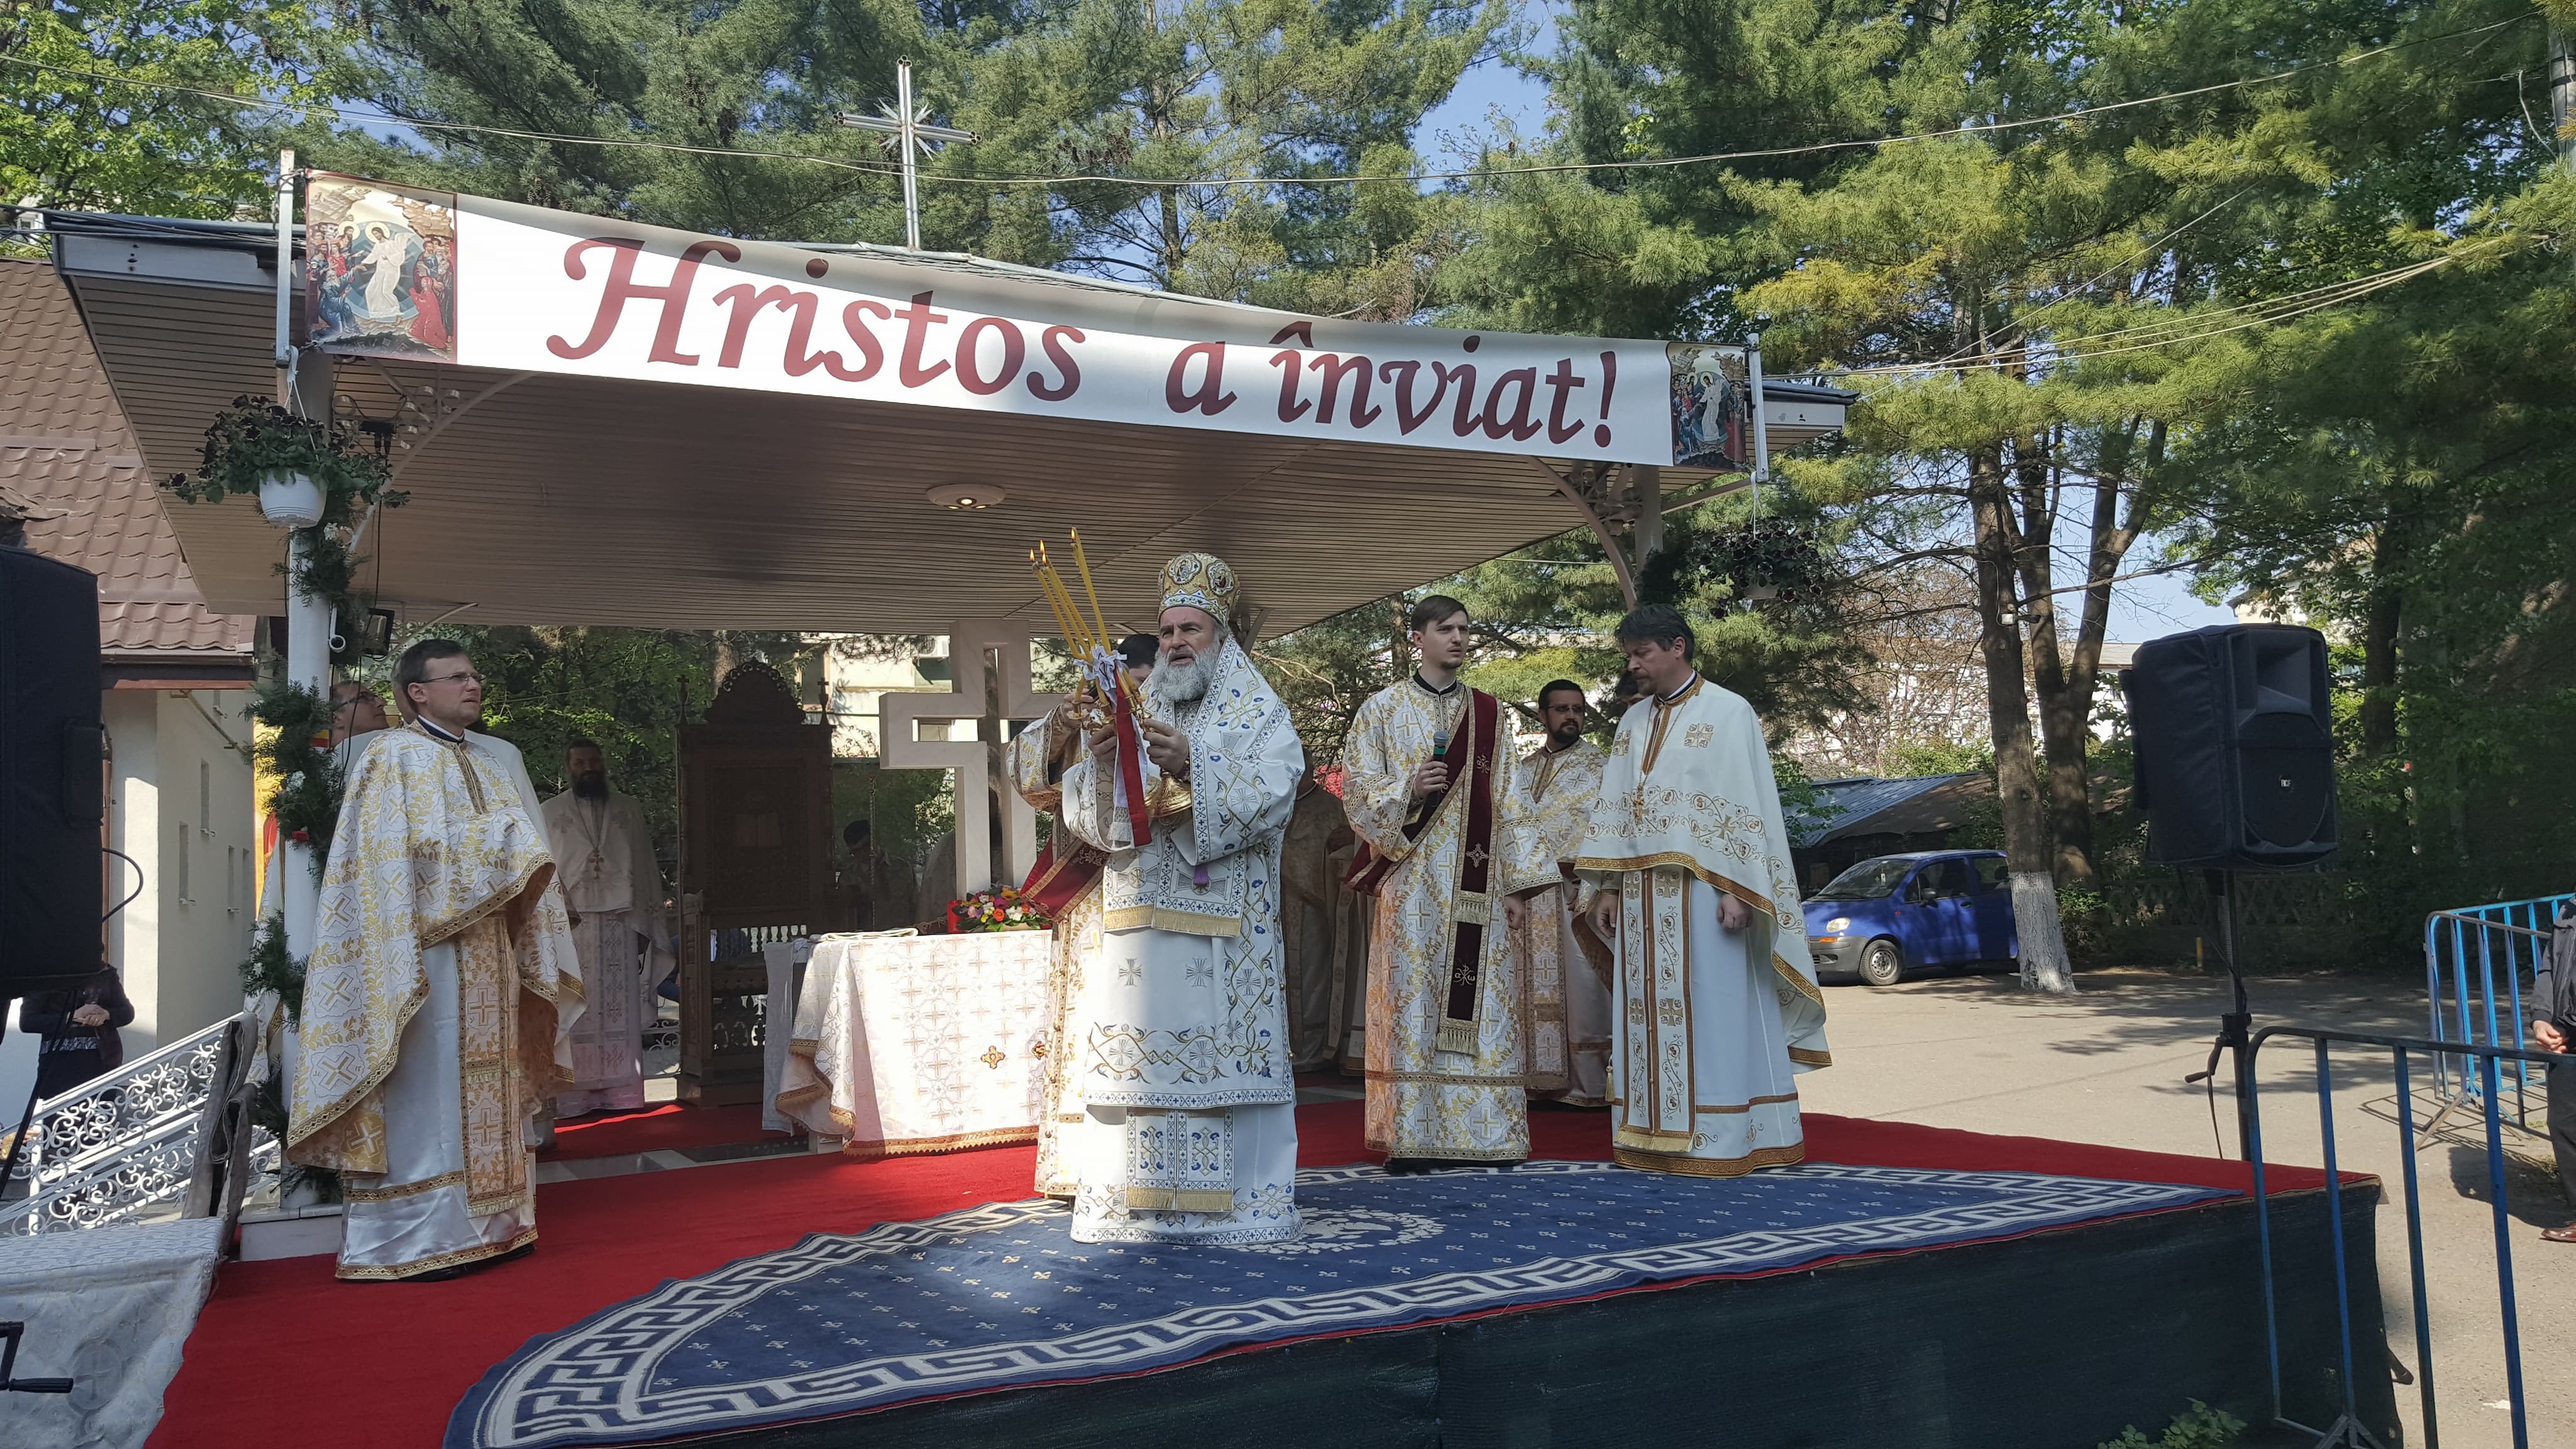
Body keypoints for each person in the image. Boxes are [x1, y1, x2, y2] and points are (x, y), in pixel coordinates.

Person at [288, 638, 582, 1280]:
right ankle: (420, 1237)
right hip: (424, 961)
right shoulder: (392, 757)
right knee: (430, 1086)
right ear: (417, 692)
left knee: (491, 1084)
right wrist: (501, 850)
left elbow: (515, 846)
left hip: (490, 952)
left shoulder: (489, 759)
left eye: (475, 676)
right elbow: (392, 862)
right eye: (456, 678)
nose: (473, 686)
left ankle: (500, 1223)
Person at [1051, 554, 1304, 1243]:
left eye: (1190, 628)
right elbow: (1090, 815)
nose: (1175, 643)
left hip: (1228, 933)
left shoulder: (1259, 709)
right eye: (1166, 632)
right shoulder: (1138, 705)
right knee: (1137, 1061)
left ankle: (1244, 1208)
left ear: (1220, 635)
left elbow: (1277, 792)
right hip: (1141, 930)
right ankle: (1133, 1208)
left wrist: (1193, 760)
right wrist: (1103, 767)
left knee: (1229, 1066)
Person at [1579, 606, 1829, 1177]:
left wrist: (1739, 889)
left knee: (1715, 1010)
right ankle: (1649, 1133)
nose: (1633, 664)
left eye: (1642, 653)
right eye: (1629, 654)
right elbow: (1616, 807)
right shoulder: (1633, 720)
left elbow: (1744, 808)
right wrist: (1610, 887)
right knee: (1645, 1013)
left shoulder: (1727, 711)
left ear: (1678, 647)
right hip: (1642, 897)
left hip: (1706, 894)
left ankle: (1723, 1135)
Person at [1341, 596, 1555, 1170]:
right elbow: (1357, 795)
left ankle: (1486, 1137)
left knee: (1480, 1003)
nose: (1458, 639)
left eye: (1464, 630)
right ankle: (1414, 1134)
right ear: (1418, 638)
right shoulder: (1381, 711)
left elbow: (1510, 798)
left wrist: (1517, 886)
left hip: (1477, 884)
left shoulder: (1489, 714)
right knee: (1414, 1003)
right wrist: (1406, 789)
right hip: (1410, 885)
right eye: (1446, 630)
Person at [1004, 633, 1160, 1199]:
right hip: (1091, 892)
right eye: (1132, 683)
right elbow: (1028, 781)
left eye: (1145, 685)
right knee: (1090, 1008)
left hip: (1154, 884)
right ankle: (1080, 1161)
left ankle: (1151, 1153)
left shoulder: (1169, 720)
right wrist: (1064, 725)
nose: (1139, 696)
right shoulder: (1082, 718)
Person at [541, 738, 668, 1119]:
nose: (589, 768)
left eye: (595, 761)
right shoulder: (550, 812)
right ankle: (572, 1096)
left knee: (620, 1010)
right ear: (569, 767)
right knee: (573, 1009)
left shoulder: (628, 810)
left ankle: (622, 1093)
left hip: (620, 924)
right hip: (570, 926)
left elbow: (645, 866)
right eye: (581, 762)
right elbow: (545, 868)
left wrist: (649, 922)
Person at [1512, 679, 1614, 1107]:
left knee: (1583, 991)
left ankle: (1587, 1087)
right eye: (1562, 709)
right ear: (1543, 716)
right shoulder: (1524, 768)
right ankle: (1535, 1080)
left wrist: (1597, 885)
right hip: (1527, 897)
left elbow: (1610, 832)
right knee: (1524, 989)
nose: (1571, 716)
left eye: (1577, 709)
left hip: (1577, 895)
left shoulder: (1602, 767)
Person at [23, 965, 133, 1099]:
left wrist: (106, 1014)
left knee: (101, 1113)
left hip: (101, 1059)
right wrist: (71, 1016)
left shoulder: (104, 973)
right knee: (59, 1115)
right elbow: (28, 1021)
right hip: (59, 1063)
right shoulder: (45, 975)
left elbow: (127, 1012)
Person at [2534, 900, 2576, 1243]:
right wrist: (2541, 1018)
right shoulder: (2569, 910)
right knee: (2565, 1123)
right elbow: (2549, 969)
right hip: (2566, 1034)